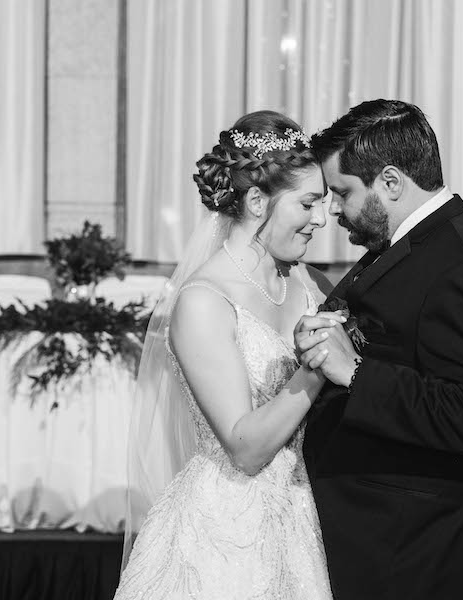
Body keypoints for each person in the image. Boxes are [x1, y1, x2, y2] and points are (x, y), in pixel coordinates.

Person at [296, 99, 463, 600]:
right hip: (373, 538)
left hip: (414, 552)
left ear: (392, 182)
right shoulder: (404, 244)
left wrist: (355, 373)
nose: (332, 209)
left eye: (342, 192)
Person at [114, 110, 339, 599]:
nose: (322, 219)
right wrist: (318, 366)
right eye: (308, 203)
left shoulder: (308, 285)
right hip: (221, 537)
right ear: (257, 201)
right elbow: (245, 448)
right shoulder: (203, 301)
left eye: (323, 202)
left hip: (300, 519)